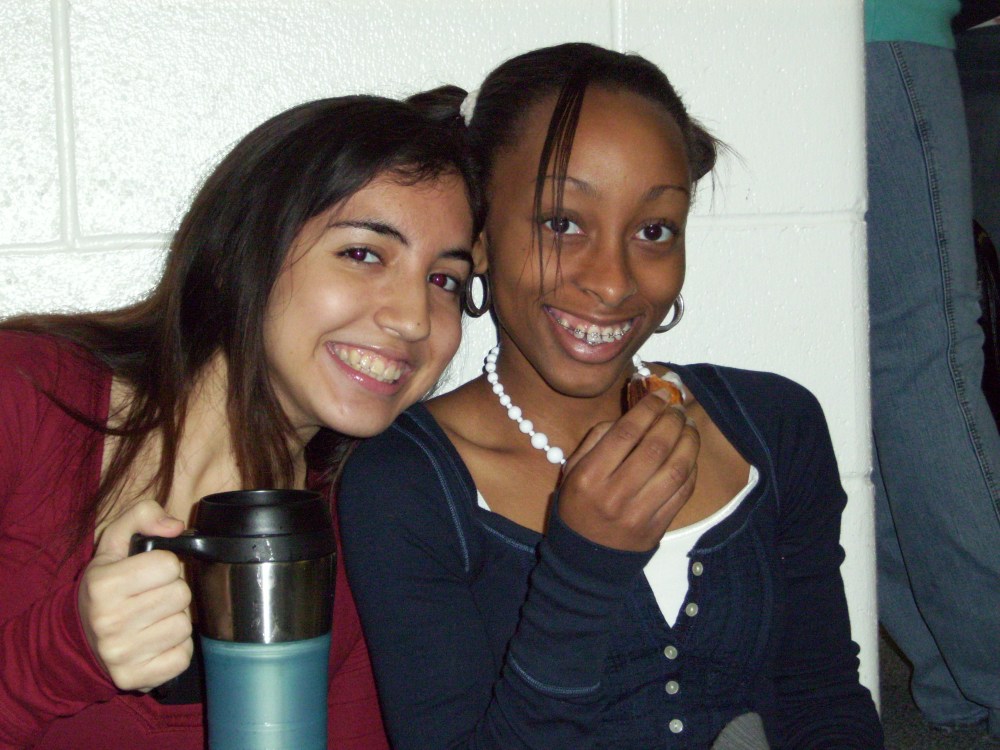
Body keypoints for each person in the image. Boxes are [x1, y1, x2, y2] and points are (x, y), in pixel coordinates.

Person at [339, 42, 883, 748]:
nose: (614, 281)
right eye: (562, 223)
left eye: (654, 231)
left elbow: (824, 697)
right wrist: (582, 571)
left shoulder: (775, 426)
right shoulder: (404, 483)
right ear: (480, 236)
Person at [0, 93, 483, 749]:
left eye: (444, 280)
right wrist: (63, 651)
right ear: (245, 247)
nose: (414, 319)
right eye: (364, 254)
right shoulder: (25, 397)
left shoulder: (365, 538)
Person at [866, 0, 1000, 736]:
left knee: (881, 372)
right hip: (884, 29)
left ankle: (961, 681)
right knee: (925, 359)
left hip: (814, 39)